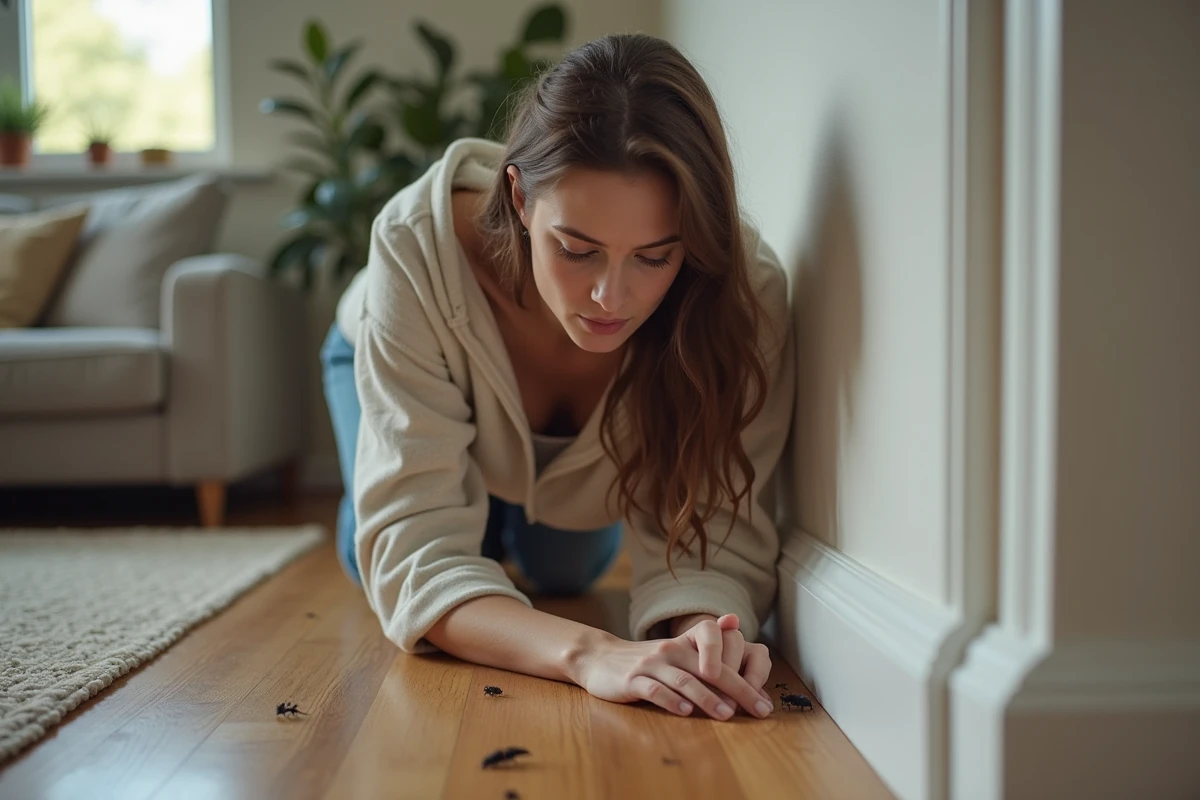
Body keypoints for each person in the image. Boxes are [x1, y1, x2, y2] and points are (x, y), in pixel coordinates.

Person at [320, 32, 795, 722]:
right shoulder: (414, 246)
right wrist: (589, 653)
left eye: (655, 258)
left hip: (569, 480)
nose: (611, 298)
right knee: (386, 560)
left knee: (566, 572)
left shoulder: (742, 293)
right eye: (577, 249)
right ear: (518, 197)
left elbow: (712, 540)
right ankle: (468, 513)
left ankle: (502, 522)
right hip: (380, 347)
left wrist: (703, 634)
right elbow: (417, 553)